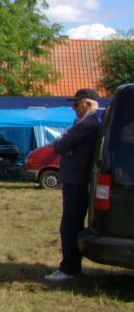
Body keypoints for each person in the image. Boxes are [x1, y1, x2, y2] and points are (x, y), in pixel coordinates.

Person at [45, 88, 102, 282]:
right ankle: (71, 266)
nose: (73, 107)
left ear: (87, 104)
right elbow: (62, 144)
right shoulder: (86, 124)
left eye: (76, 104)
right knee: (71, 224)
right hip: (76, 180)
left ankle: (69, 268)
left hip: (77, 181)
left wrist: (67, 147)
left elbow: (59, 145)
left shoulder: (87, 125)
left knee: (69, 226)